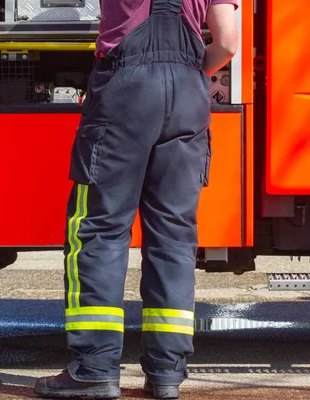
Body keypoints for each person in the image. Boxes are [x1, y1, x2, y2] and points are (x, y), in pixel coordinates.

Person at [34, 0, 238, 399]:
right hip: (187, 99)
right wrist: (189, 75)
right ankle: (166, 375)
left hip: (125, 94)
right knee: (173, 240)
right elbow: (227, 43)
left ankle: (93, 370)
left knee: (99, 231)